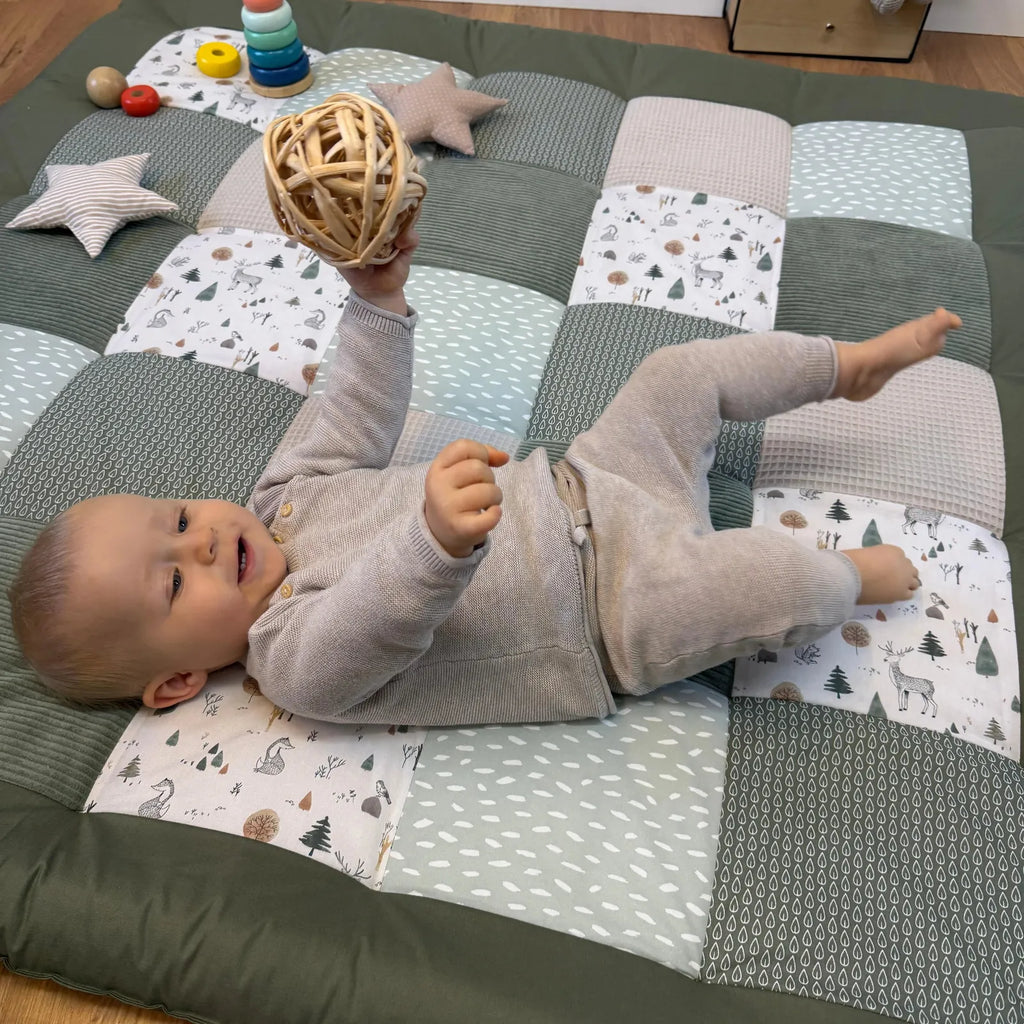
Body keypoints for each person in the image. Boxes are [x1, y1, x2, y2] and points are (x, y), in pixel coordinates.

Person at [9, 225, 959, 726]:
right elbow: (376, 620)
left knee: (678, 374)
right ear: (177, 679)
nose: (205, 539)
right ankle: (851, 579)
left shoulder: (277, 501)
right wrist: (430, 542)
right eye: (176, 579)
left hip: (596, 480)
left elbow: (352, 411)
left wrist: (376, 304)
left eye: (178, 516)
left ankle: (847, 365)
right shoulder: (292, 662)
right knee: (776, 579)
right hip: (610, 617)